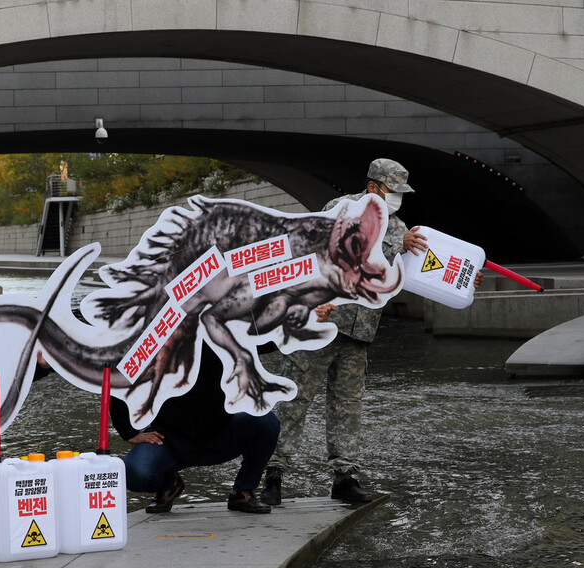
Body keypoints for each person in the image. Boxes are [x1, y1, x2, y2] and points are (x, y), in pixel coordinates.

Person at [261, 158, 483, 505]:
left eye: (400, 193)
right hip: (322, 323)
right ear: (373, 187)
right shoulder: (341, 209)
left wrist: (463, 281)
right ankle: (273, 473)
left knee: (347, 405)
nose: (397, 199)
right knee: (294, 399)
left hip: (361, 329)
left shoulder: (399, 227)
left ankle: (344, 477)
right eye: (392, 191)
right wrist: (398, 246)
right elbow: (345, 256)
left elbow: (411, 274)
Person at [111, 342, 279, 514]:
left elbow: (269, 341)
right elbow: (118, 380)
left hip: (221, 431)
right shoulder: (154, 337)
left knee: (265, 422)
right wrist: (128, 432)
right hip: (170, 440)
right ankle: (170, 485)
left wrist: (295, 321)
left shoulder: (221, 332)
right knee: (135, 473)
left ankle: (242, 492)